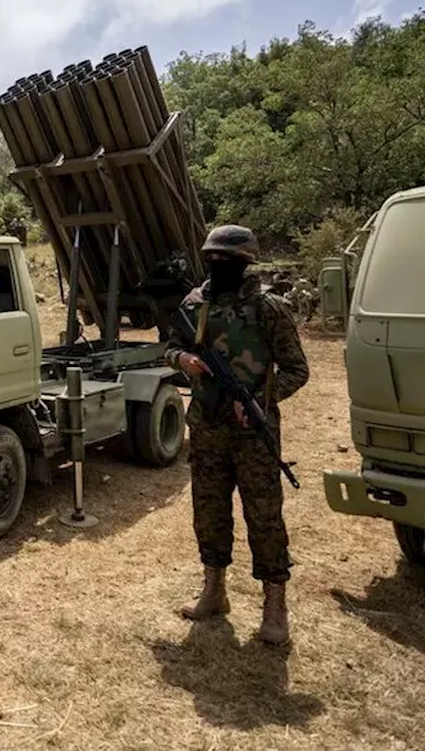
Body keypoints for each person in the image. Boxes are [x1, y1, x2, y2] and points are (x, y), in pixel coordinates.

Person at [165, 224, 310, 646]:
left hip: (252, 434)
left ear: (246, 263)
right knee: (208, 513)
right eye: (212, 259)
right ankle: (214, 591)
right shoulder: (195, 304)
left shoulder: (269, 308)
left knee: (263, 517)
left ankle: (275, 607)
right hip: (207, 429)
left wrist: (262, 402)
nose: (217, 266)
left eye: (226, 261)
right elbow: (171, 347)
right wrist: (184, 358)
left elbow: (298, 370)